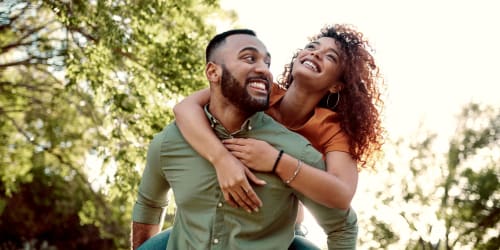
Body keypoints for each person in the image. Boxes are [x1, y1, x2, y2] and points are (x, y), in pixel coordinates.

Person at [131, 29, 358, 250]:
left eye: (330, 56)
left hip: (281, 226)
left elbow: (341, 197)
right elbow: (185, 107)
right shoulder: (260, 93)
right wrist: (222, 160)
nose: (316, 54)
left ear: (336, 85)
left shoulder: (331, 130)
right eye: (311, 47)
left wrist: (276, 160)